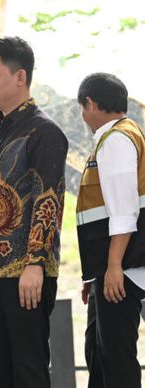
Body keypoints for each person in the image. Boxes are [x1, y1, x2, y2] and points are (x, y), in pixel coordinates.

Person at [0, 36, 67, 388]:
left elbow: (48, 202)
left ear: (20, 77)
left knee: (29, 369)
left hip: (26, 273)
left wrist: (36, 263)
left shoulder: (44, 131)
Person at [76, 73, 145, 388]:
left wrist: (114, 266)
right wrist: (94, 274)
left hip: (123, 267)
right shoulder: (118, 136)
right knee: (99, 351)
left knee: (116, 358)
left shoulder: (116, 139)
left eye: (82, 107)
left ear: (89, 103)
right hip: (111, 266)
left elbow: (123, 210)